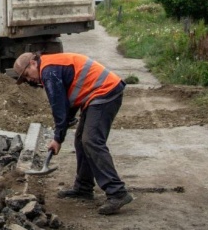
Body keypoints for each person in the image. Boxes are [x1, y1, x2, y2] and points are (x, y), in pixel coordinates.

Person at [13, 51, 133, 215]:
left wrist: (58, 138)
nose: (29, 79)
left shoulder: (48, 71)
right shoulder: (51, 66)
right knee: (80, 140)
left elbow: (59, 108)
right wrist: (62, 130)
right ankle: (84, 187)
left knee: (91, 140)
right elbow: (68, 101)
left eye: (27, 74)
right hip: (97, 94)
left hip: (105, 91)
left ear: (33, 63)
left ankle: (117, 192)